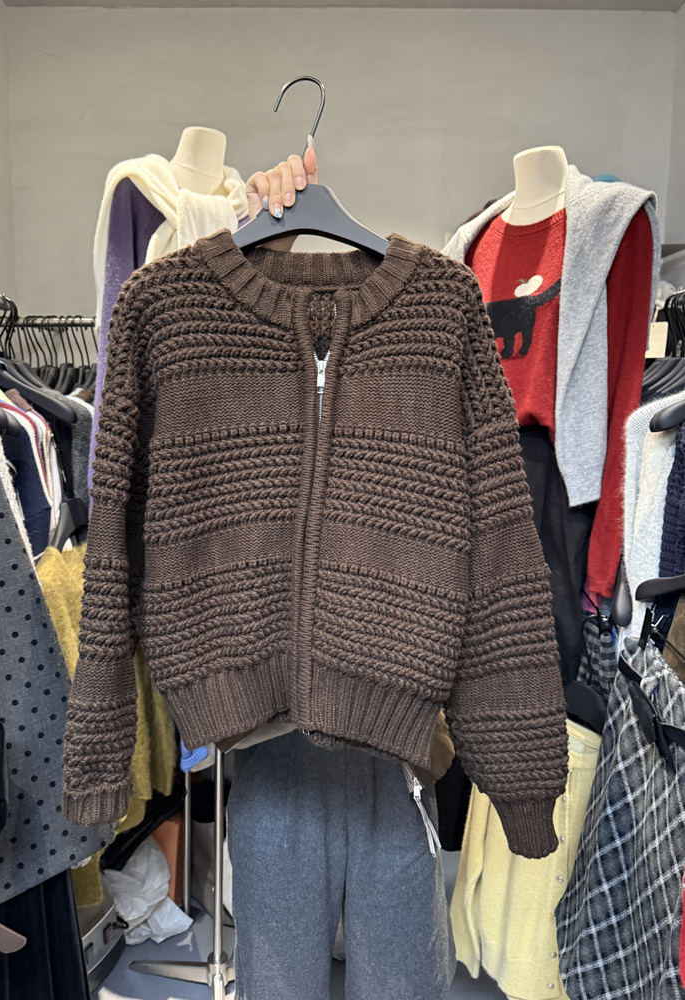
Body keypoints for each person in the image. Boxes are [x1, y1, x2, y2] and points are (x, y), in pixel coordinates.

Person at [225, 146, 457, 1000]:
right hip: (270, 756)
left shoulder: (432, 325)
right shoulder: (210, 340)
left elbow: (491, 543)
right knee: (280, 984)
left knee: (402, 984)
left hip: (397, 761)